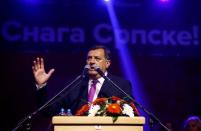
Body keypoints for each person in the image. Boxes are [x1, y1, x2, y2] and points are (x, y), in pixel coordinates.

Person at [32, 45, 137, 116]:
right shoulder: (74, 85)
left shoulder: (121, 85)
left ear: (107, 63)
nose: (91, 61)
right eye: (89, 58)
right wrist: (41, 86)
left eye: (97, 58)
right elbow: (47, 111)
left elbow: (131, 112)